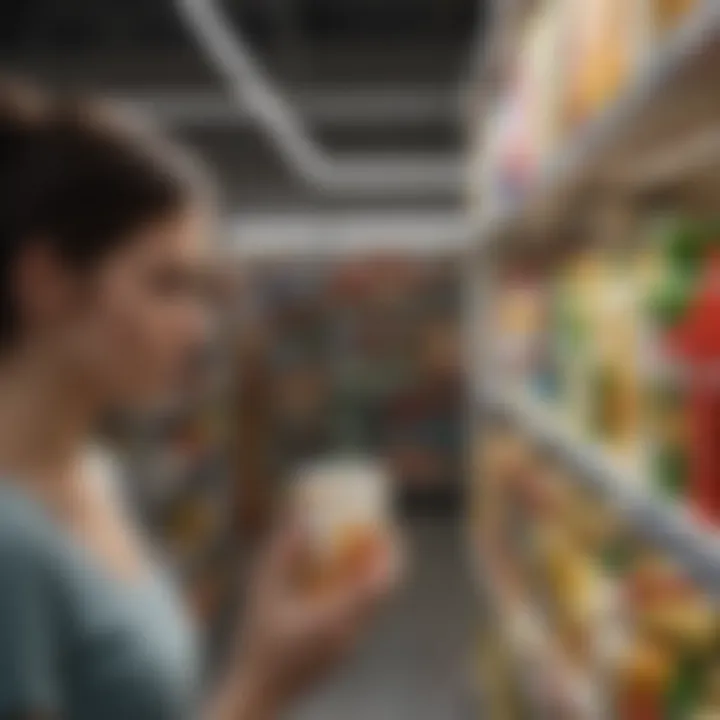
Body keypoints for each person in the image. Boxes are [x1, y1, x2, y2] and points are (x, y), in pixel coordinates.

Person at [0, 80, 399, 720]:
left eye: (200, 289)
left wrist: (263, 633)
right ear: (47, 282)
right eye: (167, 285)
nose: (200, 328)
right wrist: (262, 681)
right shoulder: (9, 546)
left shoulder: (93, 473)